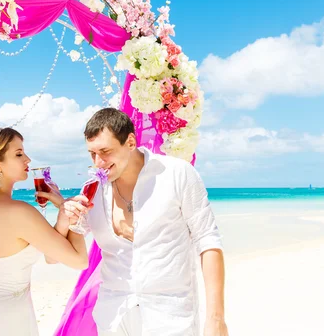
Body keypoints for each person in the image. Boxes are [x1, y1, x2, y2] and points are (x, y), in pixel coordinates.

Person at [60, 108, 228, 336]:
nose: (98, 162)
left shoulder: (177, 174)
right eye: (92, 154)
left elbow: (208, 241)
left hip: (170, 317)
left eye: (105, 151)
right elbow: (69, 256)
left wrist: (216, 319)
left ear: (130, 142)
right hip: (112, 317)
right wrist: (64, 215)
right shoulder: (92, 191)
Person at [0, 127, 88, 336]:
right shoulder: (19, 212)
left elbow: (53, 256)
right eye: (18, 154)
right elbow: (80, 261)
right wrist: (76, 215)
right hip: (10, 321)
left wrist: (63, 213)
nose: (28, 159)